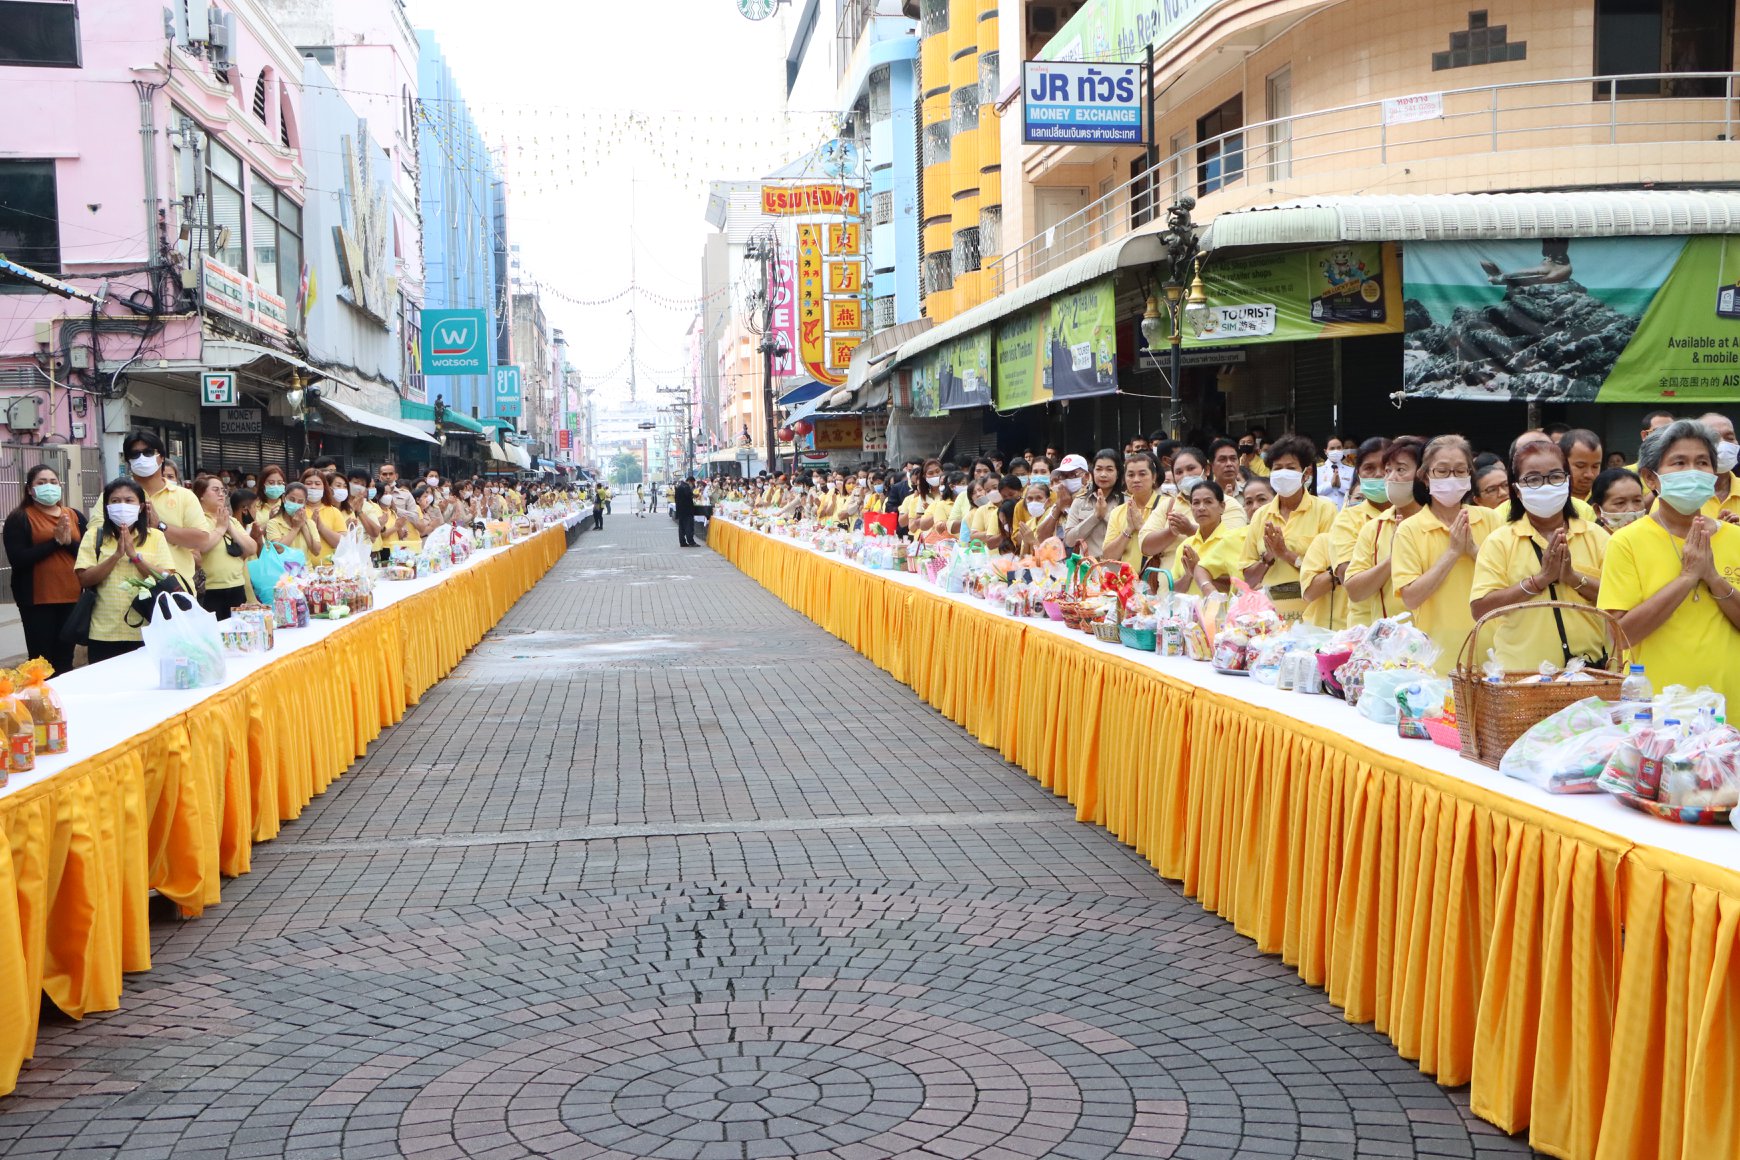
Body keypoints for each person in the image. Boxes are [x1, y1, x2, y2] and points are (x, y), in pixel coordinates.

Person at [1600, 419, 1740, 706]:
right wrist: (1687, 578)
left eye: (1702, 462)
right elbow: (1621, 635)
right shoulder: (1627, 542)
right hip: (1660, 712)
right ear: (1651, 479)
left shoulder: (1735, 537)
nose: (1692, 471)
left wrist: (1712, 577)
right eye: (1679, 463)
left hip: (1730, 704)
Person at [1471, 439, 1610, 672]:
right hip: (1521, 677)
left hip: (1589, 674)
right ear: (1517, 489)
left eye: (1555, 477)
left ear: (1567, 481)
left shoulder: (1596, 536)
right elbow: (1480, 610)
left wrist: (1574, 580)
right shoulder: (1499, 541)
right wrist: (1538, 581)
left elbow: (1617, 602)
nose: (1545, 486)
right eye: (1533, 479)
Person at [1390, 435, 1502, 675]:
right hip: (1438, 662)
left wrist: (1472, 550)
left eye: (1460, 471)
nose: (1452, 478)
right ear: (1425, 477)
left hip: (1494, 656)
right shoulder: (1410, 529)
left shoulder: (1491, 519)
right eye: (1442, 471)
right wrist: (1452, 552)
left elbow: (1510, 581)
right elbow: (1410, 597)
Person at [74, 477, 180, 663]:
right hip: (104, 632)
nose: (122, 506)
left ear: (140, 506)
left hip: (147, 629)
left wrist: (135, 557)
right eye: (115, 501)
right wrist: (116, 556)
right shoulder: (94, 536)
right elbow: (84, 579)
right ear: (107, 507)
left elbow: (165, 576)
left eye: (129, 500)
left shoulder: (154, 536)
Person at [1238, 435, 1338, 620]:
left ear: (1306, 473)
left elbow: (1332, 574)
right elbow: (1249, 580)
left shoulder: (1325, 510)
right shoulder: (1261, 515)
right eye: (1277, 468)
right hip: (1270, 620)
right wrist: (1268, 558)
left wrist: (1285, 554)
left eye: (1291, 468)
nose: (1283, 473)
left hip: (1314, 617)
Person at [3, 464, 86, 671]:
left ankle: (64, 701)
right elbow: (18, 559)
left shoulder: (74, 516)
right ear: (30, 489)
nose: (48, 487)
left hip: (72, 597)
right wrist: (55, 542)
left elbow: (87, 554)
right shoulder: (20, 518)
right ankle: (40, 701)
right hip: (37, 600)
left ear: (60, 486)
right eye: (41, 483)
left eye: (52, 482)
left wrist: (67, 542)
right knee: (41, 660)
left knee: (65, 658)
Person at [1346, 437, 1427, 624]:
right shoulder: (1374, 528)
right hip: (1389, 644)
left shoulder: (1443, 523)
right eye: (1388, 471)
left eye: (1400, 470)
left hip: (1437, 640)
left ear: (1423, 475)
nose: (1389, 477)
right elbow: (1355, 591)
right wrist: (1392, 559)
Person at [121, 430, 218, 582]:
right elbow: (99, 537)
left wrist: (160, 526)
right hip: (125, 589)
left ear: (161, 457)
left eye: (148, 453)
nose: (141, 458)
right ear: (128, 461)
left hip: (174, 589)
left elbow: (202, 540)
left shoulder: (184, 496)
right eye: (135, 454)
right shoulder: (114, 499)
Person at [194, 478, 258, 619]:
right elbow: (202, 546)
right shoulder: (196, 519)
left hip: (237, 586)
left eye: (223, 490)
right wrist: (220, 529)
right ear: (201, 495)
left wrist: (230, 528)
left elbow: (252, 547)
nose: (221, 494)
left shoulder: (231, 520)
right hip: (209, 590)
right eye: (215, 490)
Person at [1177, 480, 1240, 595]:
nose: (1201, 508)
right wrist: (1188, 575)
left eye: (1208, 502)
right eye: (1196, 503)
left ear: (1222, 507)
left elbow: (1238, 587)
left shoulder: (1232, 541)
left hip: (1222, 612)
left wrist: (1198, 570)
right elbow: (1173, 590)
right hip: (1189, 612)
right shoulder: (1185, 545)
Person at [1100, 451, 1161, 571]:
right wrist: (1128, 530)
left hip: (1160, 580)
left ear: (1154, 477)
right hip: (1128, 583)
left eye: (1142, 474)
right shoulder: (1118, 512)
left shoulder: (1167, 505)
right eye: (1131, 475)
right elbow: (1108, 556)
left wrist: (1141, 527)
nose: (1136, 479)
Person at [1060, 450, 1122, 558]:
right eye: (1098, 469)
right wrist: (1095, 516)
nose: (1103, 474)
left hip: (1118, 569)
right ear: (1092, 473)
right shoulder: (1080, 501)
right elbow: (1069, 541)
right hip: (1087, 568)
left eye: (1109, 469)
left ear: (1118, 473)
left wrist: (1105, 515)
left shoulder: (1127, 501)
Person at [1591, 467, 1647, 532]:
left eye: (1637, 500)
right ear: (1598, 510)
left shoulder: (1654, 537)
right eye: (1620, 503)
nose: (1631, 509)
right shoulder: (1590, 541)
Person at [1560, 429, 1605, 507]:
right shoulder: (1550, 499)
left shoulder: (1607, 498)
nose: (1589, 475)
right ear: (1561, 462)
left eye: (1595, 466)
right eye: (1580, 466)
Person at [1317, 436, 1355, 509]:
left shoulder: (1351, 469)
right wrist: (1330, 485)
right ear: (1325, 451)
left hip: (1345, 513)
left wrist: (1341, 486)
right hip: (1324, 513)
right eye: (1332, 448)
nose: (1336, 451)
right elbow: (1313, 493)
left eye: (1339, 448)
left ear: (1342, 449)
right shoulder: (1318, 470)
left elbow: (1355, 493)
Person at [675, 476, 697, 546]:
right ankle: (691, 542)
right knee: (688, 527)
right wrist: (694, 495)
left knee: (681, 528)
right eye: (693, 483)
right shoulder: (686, 487)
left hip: (680, 511)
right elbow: (689, 495)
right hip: (687, 511)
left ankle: (682, 542)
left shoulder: (679, 486)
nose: (692, 485)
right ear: (690, 481)